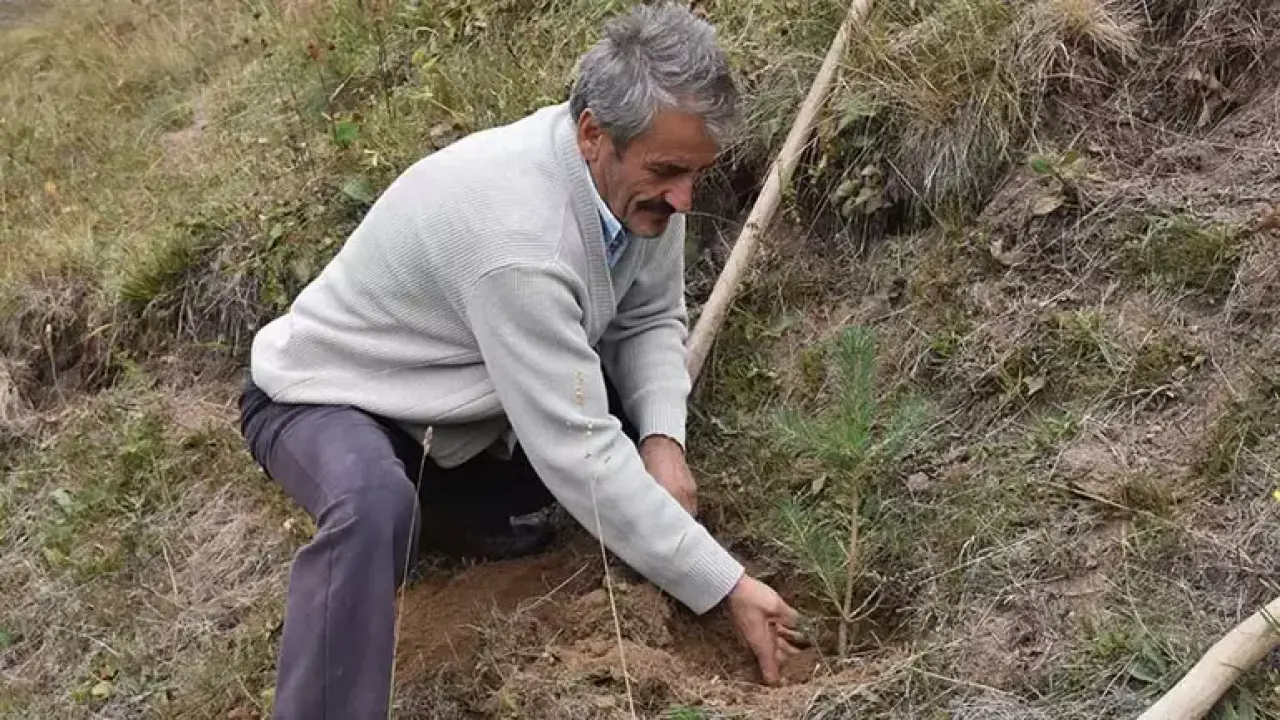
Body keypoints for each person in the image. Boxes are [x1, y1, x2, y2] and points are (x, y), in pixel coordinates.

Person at [237, 3, 804, 718]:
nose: (685, 199)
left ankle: (444, 510)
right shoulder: (518, 239)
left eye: (697, 173)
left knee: (617, 429)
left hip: (457, 409)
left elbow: (649, 319)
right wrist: (726, 585)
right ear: (593, 133)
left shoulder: (641, 185)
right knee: (374, 506)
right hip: (326, 398)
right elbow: (579, 450)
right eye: (668, 172)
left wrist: (663, 440)